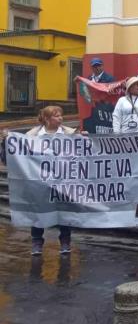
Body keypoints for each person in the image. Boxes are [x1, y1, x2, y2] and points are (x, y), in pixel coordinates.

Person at [27, 106, 78, 256]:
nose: (61, 118)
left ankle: (65, 241)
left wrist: (84, 138)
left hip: (63, 180)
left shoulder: (70, 133)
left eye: (61, 115)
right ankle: (37, 241)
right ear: (47, 119)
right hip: (40, 181)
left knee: (64, 211)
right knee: (38, 211)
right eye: (56, 116)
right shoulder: (33, 135)